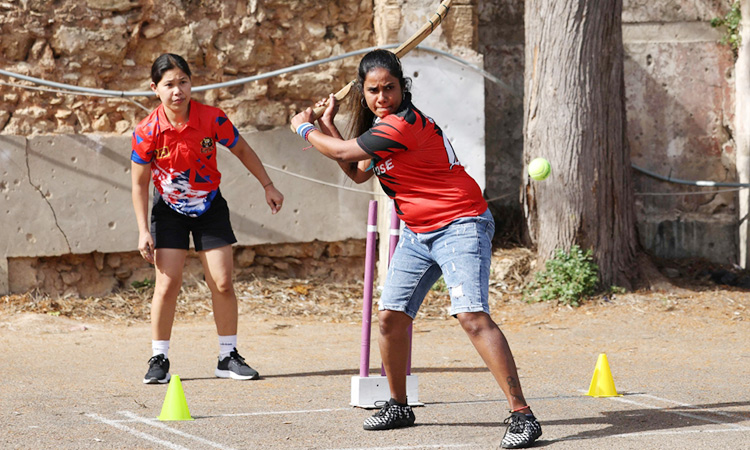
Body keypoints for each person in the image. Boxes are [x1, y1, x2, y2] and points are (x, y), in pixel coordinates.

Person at [291, 49, 542, 448]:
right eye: (373, 90)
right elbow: (356, 173)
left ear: (402, 88)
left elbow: (341, 153)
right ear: (364, 93)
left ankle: (522, 415)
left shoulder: (404, 125)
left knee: (471, 317)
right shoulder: (381, 129)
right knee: (390, 318)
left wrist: (304, 128)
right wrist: (326, 122)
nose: (382, 97)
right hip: (417, 230)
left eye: (389, 88)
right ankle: (399, 405)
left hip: (461, 223)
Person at [131, 53, 284, 385]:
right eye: (169, 85)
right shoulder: (147, 131)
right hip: (168, 211)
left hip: (209, 208)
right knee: (167, 284)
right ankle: (159, 357)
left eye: (183, 82)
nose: (177, 91)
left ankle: (227, 356)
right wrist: (144, 229)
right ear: (155, 88)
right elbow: (139, 183)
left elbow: (242, 150)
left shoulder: (212, 118)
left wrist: (268, 185)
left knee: (223, 282)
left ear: (191, 83)